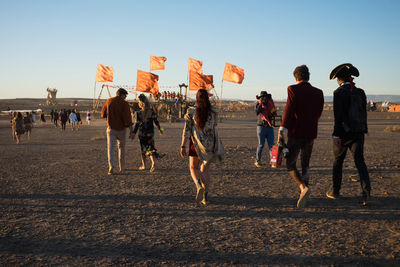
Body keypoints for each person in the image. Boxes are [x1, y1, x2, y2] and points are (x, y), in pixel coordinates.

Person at [278, 65, 324, 208]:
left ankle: (303, 188)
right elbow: (319, 112)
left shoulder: (293, 89)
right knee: (305, 164)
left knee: (290, 163)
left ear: (296, 77)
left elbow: (289, 110)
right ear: (308, 76)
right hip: (311, 133)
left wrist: (282, 128)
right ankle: (305, 192)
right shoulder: (319, 92)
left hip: (296, 132)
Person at [326, 63, 371, 206]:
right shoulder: (361, 92)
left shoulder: (338, 93)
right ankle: (366, 193)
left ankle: (335, 191)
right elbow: (364, 113)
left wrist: (336, 135)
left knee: (338, 162)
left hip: (344, 135)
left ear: (339, 79)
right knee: (360, 162)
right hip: (359, 132)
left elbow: (338, 117)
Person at [180, 89, 225, 206]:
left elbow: (187, 131)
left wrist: (182, 145)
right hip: (210, 145)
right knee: (205, 170)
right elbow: (215, 127)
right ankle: (205, 197)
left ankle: (198, 184)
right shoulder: (213, 112)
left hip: (195, 145)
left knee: (193, 168)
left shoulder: (191, 112)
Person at [101, 88, 134, 175]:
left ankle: (111, 166)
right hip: (122, 129)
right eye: (125, 95)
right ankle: (122, 167)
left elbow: (103, 114)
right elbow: (128, 118)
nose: (125, 97)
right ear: (122, 95)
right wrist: (131, 130)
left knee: (111, 149)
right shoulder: (124, 103)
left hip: (111, 128)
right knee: (121, 149)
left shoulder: (108, 101)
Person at [132, 94, 163, 172]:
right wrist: (160, 129)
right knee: (151, 147)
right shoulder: (151, 112)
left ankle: (144, 165)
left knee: (143, 149)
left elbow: (137, 124)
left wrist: (133, 133)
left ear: (140, 104)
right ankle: (153, 163)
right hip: (150, 133)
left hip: (142, 134)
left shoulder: (138, 113)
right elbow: (157, 122)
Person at [255, 91, 277, 167]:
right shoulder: (258, 104)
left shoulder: (271, 104)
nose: (264, 98)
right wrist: (261, 104)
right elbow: (257, 112)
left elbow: (275, 114)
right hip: (261, 127)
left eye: (265, 97)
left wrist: (271, 110)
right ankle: (257, 161)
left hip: (269, 127)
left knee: (272, 145)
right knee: (261, 145)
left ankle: (273, 162)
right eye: (262, 97)